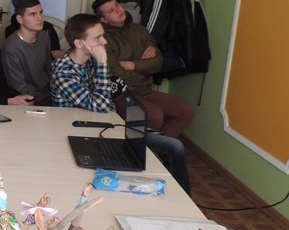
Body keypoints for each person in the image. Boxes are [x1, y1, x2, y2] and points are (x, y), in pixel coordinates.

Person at [51, 14, 192, 195]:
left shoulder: (88, 63)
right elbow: (102, 106)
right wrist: (102, 64)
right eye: (97, 38)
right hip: (81, 138)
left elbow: (108, 100)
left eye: (103, 36)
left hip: (101, 128)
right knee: (167, 149)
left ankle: (182, 199)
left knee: (173, 146)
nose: (104, 42)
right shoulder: (64, 73)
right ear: (79, 43)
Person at [92, 0, 195, 137]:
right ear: (104, 19)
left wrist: (133, 64)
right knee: (154, 116)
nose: (118, 10)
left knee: (185, 112)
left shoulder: (139, 30)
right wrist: (144, 68)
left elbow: (158, 62)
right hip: (120, 94)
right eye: (111, 11)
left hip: (144, 90)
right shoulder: (101, 38)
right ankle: (138, 148)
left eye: (117, 5)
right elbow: (114, 74)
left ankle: (157, 148)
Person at [2, 0, 52, 106]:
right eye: (33, 14)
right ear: (20, 19)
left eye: (41, 12)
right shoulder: (11, 48)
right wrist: (42, 100)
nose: (40, 18)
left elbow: (49, 68)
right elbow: (18, 85)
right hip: (29, 100)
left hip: (49, 94)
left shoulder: (44, 37)